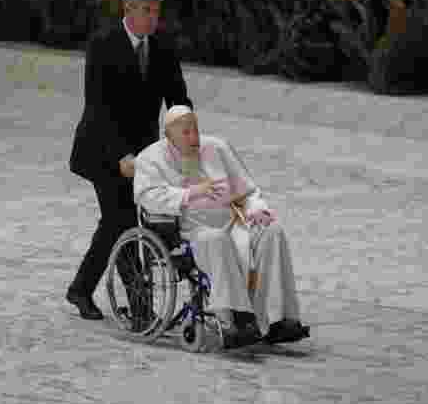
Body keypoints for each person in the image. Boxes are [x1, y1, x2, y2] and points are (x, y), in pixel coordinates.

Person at [66, 0, 194, 319]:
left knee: (116, 223)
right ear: (128, 9)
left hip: (143, 150)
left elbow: (178, 96)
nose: (154, 19)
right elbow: (98, 108)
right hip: (103, 149)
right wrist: (121, 155)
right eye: (147, 11)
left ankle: (80, 289)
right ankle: (140, 310)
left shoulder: (163, 45)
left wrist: (187, 137)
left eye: (157, 12)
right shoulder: (103, 45)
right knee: (122, 220)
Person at [132, 105, 310, 345]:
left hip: (232, 222)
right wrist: (190, 193)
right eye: (186, 133)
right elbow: (147, 196)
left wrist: (256, 208)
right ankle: (237, 321)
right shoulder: (150, 159)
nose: (194, 137)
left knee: (272, 231)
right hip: (190, 229)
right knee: (216, 240)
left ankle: (278, 319)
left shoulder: (216, 147)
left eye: (195, 129)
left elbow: (247, 190)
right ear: (169, 136)